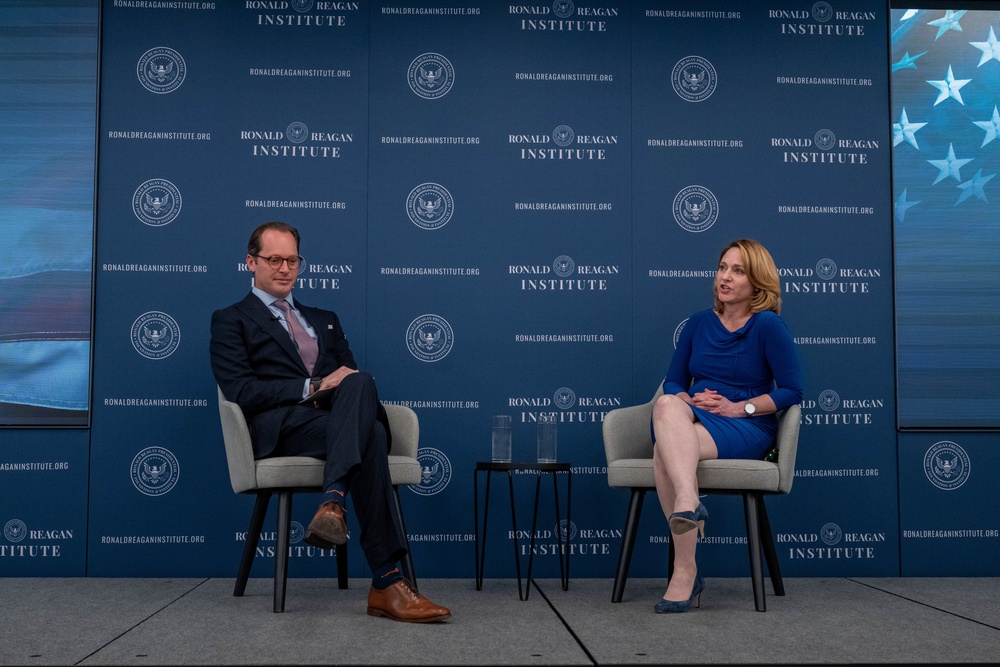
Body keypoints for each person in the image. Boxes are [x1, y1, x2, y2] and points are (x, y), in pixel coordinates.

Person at [210, 221, 450, 623]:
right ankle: (387, 583)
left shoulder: (325, 318)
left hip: (335, 423)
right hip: (285, 429)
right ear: (250, 262)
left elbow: (351, 384)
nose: (284, 268)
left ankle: (333, 504)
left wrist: (336, 387)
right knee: (370, 435)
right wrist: (314, 385)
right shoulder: (230, 319)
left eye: (292, 260)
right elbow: (241, 391)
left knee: (361, 383)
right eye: (274, 260)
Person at [651, 239, 803, 614]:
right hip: (698, 418)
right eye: (722, 268)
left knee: (661, 450)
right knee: (667, 402)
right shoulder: (698, 323)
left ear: (757, 282)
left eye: (738, 271)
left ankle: (685, 572)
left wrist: (740, 407)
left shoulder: (768, 326)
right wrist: (687, 400)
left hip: (746, 427)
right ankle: (689, 505)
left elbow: (792, 390)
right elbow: (673, 381)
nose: (726, 277)